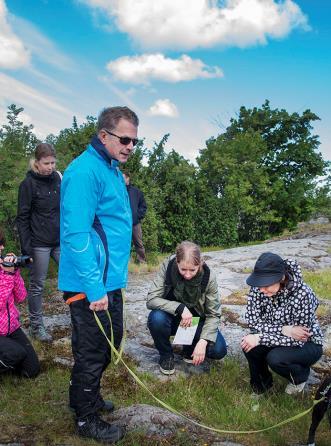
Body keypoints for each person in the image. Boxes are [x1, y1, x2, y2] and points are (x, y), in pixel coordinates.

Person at [59, 106, 139, 443]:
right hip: (90, 286)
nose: (130, 146)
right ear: (103, 135)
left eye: (135, 141)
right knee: (92, 351)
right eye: (125, 139)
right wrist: (94, 289)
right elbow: (75, 235)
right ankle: (85, 419)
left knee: (109, 347)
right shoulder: (83, 171)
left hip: (109, 281)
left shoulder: (109, 168)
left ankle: (85, 398)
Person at [241, 252, 323, 395]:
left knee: (275, 358)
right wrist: (286, 329)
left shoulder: (304, 294)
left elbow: (298, 339)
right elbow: (253, 322)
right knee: (249, 345)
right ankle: (261, 387)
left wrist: (261, 337)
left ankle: (300, 376)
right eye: (259, 284)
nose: (261, 289)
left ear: (281, 277)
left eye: (266, 284)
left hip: (307, 344)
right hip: (282, 335)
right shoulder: (258, 288)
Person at [147, 241, 227, 375]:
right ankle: (166, 355)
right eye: (183, 269)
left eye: (192, 270)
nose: (188, 275)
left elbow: (213, 315)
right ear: (177, 262)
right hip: (171, 318)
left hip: (196, 321)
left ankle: (190, 348)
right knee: (156, 318)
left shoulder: (209, 277)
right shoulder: (167, 268)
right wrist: (179, 307)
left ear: (200, 264)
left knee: (218, 350)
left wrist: (203, 341)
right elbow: (151, 299)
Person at [16, 143, 61, 343]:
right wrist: (26, 249)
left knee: (77, 274)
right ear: (36, 162)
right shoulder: (28, 184)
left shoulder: (58, 179)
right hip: (39, 243)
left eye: (52, 162)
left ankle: (82, 318)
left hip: (60, 240)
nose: (50, 166)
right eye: (46, 163)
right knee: (37, 286)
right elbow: (22, 217)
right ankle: (36, 326)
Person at [0, 229, 40, 378]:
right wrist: (7, 275)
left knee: (32, 369)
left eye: (2, 244)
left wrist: (14, 272)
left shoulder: (2, 268)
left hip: (10, 328)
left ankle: (7, 364)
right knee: (15, 353)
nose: (2, 248)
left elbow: (21, 297)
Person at [123, 172, 147, 263]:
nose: (121, 180)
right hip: (122, 223)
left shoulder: (137, 192)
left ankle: (142, 262)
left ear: (128, 178)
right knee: (123, 243)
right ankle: (125, 263)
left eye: (123, 178)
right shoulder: (118, 191)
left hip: (135, 223)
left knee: (139, 243)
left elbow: (143, 206)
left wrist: (137, 216)